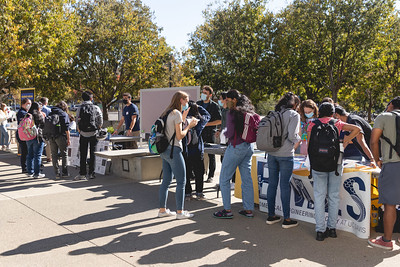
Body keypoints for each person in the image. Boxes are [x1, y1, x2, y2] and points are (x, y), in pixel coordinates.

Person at [307, 102, 361, 241]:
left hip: (318, 164)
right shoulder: (337, 123)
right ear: (332, 113)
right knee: (334, 196)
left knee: (319, 197)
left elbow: (309, 145)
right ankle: (332, 229)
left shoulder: (312, 124)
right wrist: (346, 140)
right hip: (335, 163)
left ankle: (320, 231)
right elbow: (357, 129)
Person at [213, 89, 255, 219]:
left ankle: (227, 210)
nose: (226, 102)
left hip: (236, 146)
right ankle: (248, 209)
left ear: (233, 100)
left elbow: (230, 132)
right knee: (246, 179)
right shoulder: (249, 111)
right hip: (249, 147)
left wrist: (223, 134)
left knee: (224, 178)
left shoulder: (233, 112)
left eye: (228, 100)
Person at [158, 91, 198, 219]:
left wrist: (184, 118)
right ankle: (180, 212)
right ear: (180, 100)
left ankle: (162, 210)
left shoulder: (167, 112)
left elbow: (172, 131)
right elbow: (180, 135)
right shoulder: (177, 114)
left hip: (164, 151)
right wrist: (189, 126)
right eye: (186, 100)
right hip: (174, 150)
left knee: (166, 181)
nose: (187, 103)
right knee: (181, 181)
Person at [368, 97, 400, 250]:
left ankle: (386, 240)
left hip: (392, 164)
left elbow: (374, 141)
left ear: (391, 105)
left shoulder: (384, 117)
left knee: (390, 204)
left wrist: (377, 160)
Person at [266, 92, 301, 228]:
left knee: (272, 184)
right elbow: (293, 135)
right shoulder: (293, 115)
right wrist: (299, 139)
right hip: (286, 154)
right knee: (284, 185)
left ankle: (271, 215)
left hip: (271, 153)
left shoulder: (275, 113)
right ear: (295, 104)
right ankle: (286, 219)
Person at [183, 101, 210, 200]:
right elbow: (207, 115)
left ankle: (187, 193)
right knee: (199, 172)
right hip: (197, 149)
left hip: (185, 150)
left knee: (186, 172)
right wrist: (198, 107)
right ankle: (199, 192)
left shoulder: (182, 119)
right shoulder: (198, 120)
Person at [75, 91, 103, 181]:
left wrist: (79, 130)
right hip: (93, 133)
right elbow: (100, 119)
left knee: (83, 153)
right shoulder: (96, 107)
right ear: (91, 98)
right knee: (92, 153)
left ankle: (82, 174)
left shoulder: (80, 108)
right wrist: (98, 127)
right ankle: (91, 173)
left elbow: (77, 120)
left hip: (83, 133)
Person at [197, 86, 221, 183]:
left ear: (210, 95)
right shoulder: (198, 104)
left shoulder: (214, 106)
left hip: (210, 132)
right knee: (199, 154)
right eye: (202, 92)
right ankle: (200, 173)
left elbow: (219, 120)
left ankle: (211, 175)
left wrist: (207, 124)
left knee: (211, 155)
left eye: (205, 93)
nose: (203, 94)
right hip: (199, 133)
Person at [215, 91, 236, 189]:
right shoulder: (223, 110)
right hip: (223, 136)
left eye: (221, 99)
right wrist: (219, 130)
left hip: (230, 137)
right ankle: (224, 180)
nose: (220, 101)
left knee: (230, 160)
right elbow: (223, 123)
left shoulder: (230, 111)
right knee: (223, 159)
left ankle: (234, 181)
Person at [48, 101, 71, 178]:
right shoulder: (63, 114)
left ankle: (57, 173)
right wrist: (68, 139)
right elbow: (66, 128)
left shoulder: (51, 113)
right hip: (61, 136)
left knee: (54, 155)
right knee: (64, 154)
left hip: (51, 136)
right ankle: (65, 172)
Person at [26, 102, 45, 178]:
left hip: (28, 136)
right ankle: (37, 173)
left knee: (30, 155)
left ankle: (30, 171)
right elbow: (43, 125)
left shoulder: (27, 115)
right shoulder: (38, 114)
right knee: (37, 155)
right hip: (37, 137)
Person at [16, 98, 32, 173]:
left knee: (26, 151)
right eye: (28, 103)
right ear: (23, 104)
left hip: (24, 134)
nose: (29, 105)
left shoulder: (24, 112)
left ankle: (26, 167)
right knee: (25, 151)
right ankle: (24, 167)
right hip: (23, 135)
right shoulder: (22, 113)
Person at [39, 97, 52, 162]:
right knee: (48, 143)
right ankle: (49, 157)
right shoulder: (48, 110)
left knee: (40, 143)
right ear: (46, 102)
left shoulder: (38, 109)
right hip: (46, 128)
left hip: (39, 128)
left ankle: (39, 157)